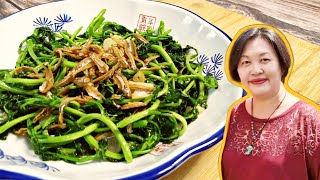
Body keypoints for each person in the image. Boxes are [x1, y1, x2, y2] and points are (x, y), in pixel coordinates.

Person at [219, 25, 320, 180]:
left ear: (282, 64)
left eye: (264, 60)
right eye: (246, 62)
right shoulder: (236, 112)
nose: (256, 70)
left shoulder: (307, 118)